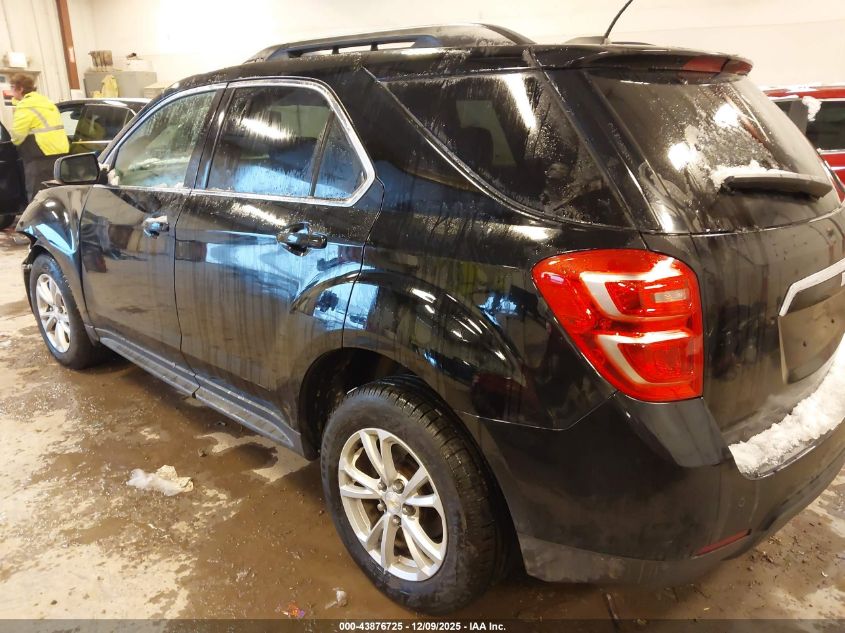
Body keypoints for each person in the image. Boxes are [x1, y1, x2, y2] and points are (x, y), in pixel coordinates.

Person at [9, 73, 69, 201]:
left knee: (38, 197)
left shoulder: (25, 106)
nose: (11, 91)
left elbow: (17, 136)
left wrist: (13, 141)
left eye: (12, 87)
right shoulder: (47, 102)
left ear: (20, 88)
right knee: (59, 195)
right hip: (60, 155)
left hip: (38, 157)